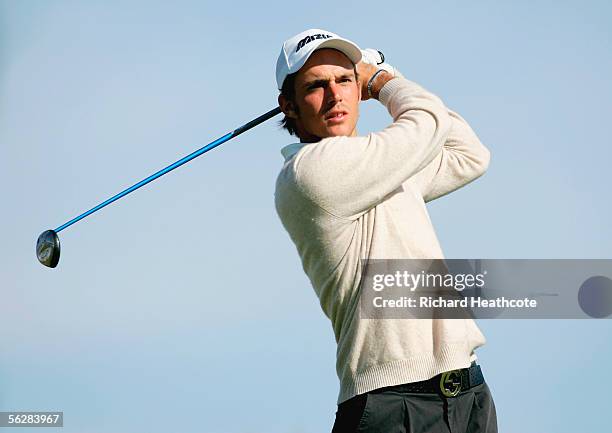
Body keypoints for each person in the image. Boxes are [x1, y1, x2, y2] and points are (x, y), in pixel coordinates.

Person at [274, 28, 498, 433]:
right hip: (393, 405)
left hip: (468, 394)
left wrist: (381, 75)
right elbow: (428, 121)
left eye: (345, 80)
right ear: (287, 105)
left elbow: (469, 153)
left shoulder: (383, 163)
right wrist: (381, 79)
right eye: (316, 86)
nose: (335, 95)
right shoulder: (309, 174)